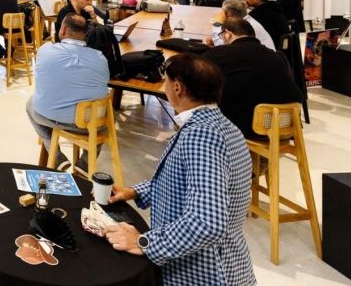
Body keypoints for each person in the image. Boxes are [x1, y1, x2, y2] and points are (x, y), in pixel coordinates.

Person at [104, 53, 255, 286]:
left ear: (177, 88)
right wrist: (134, 191)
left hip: (203, 273)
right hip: (225, 264)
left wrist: (145, 242)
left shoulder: (201, 136)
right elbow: (184, 182)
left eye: (165, 79)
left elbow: (206, 222)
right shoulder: (226, 128)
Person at [27, 15, 109, 164]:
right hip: (89, 123)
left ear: (63, 29)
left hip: (51, 118)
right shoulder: (100, 58)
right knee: (107, 116)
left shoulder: (45, 51)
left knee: (30, 104)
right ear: (85, 33)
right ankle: (85, 163)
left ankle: (56, 156)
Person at [204, 18, 301, 139]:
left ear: (228, 34)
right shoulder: (275, 55)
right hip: (287, 125)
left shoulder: (220, 53)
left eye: (221, 35)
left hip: (252, 129)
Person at [206, 0, 275, 51]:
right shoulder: (245, 20)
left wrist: (217, 24)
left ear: (229, 14)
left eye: (222, 12)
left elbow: (222, 47)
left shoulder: (247, 26)